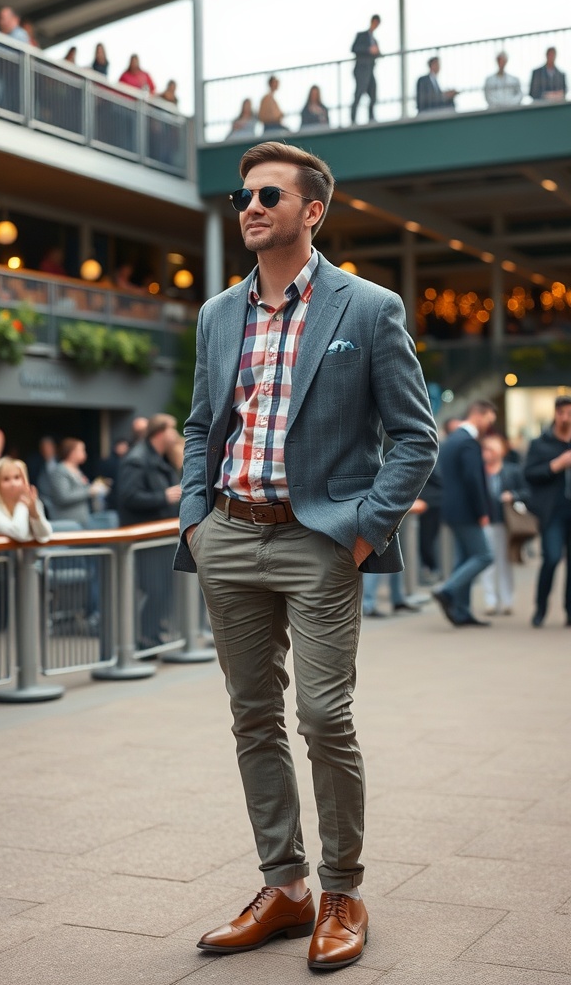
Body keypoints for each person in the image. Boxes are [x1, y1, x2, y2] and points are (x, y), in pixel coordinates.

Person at [173, 140, 438, 970]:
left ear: (311, 211)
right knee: (253, 719)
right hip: (229, 534)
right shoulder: (220, 314)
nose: (249, 206)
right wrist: (194, 518)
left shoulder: (367, 308)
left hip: (317, 540)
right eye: (243, 196)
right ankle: (283, 886)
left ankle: (343, 891)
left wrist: (361, 530)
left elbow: (415, 435)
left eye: (267, 195)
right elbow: (199, 424)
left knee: (325, 717)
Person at [118, 414, 181, 649]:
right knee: (155, 588)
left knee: (162, 587)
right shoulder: (136, 459)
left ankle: (153, 633)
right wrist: (163, 496)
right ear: (160, 433)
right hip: (146, 537)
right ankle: (146, 637)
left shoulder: (157, 457)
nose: (175, 435)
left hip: (159, 537)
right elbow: (128, 497)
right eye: (171, 430)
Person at [432, 400, 497, 627]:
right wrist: (482, 511)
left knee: (465, 559)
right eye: (490, 418)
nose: (490, 424)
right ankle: (447, 590)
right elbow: (473, 480)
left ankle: (461, 612)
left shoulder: (452, 440)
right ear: (480, 414)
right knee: (484, 556)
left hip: (451, 509)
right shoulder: (468, 442)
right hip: (467, 510)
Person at [524, 395, 571, 628]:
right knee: (551, 559)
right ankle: (540, 608)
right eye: (562, 413)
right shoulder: (540, 443)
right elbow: (529, 474)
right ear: (555, 414)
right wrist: (557, 465)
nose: (566, 418)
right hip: (553, 513)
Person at [481, 433, 530, 615]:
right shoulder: (479, 471)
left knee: (504, 561)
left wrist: (513, 496)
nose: (489, 453)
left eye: (493, 448)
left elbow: (526, 492)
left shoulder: (512, 470)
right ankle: (490, 601)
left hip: (505, 522)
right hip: (484, 522)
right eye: (486, 448)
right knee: (487, 562)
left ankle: (507, 599)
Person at [48, 438, 108, 528]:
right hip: (69, 522)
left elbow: (82, 488)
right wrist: (89, 491)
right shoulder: (60, 471)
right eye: (82, 450)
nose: (84, 453)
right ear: (72, 452)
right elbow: (64, 497)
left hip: (83, 518)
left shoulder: (77, 470)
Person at [0, 457, 52, 542]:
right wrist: (22, 504)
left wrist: (34, 514)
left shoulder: (31, 501)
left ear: (24, 480)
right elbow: (19, 534)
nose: (13, 484)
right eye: (6, 479)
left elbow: (45, 536)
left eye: (17, 477)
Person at [350, 14, 381, 124]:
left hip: (370, 70)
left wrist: (376, 52)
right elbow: (354, 48)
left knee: (373, 94)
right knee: (359, 93)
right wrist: (368, 50)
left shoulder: (374, 40)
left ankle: (371, 117)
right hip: (361, 70)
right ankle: (353, 119)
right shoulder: (361, 36)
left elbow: (379, 54)